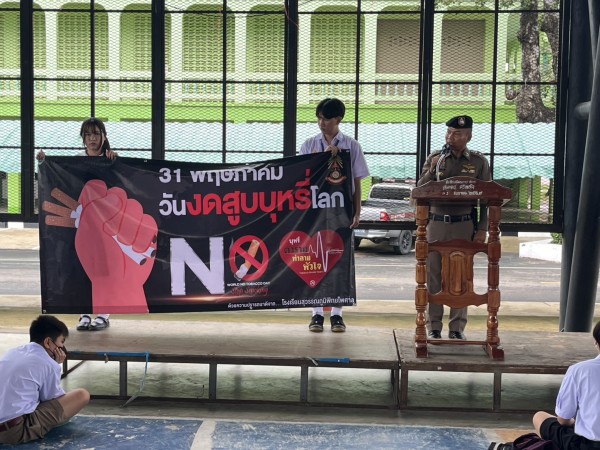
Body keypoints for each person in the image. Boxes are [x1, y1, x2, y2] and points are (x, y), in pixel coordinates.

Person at [37, 118, 117, 331]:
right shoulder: (74, 162)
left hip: (105, 226)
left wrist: (116, 162)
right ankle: (84, 314)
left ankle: (103, 314)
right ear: (83, 138)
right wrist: (45, 163)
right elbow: (58, 177)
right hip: (80, 225)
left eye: (96, 134)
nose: (92, 138)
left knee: (102, 269)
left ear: (104, 136)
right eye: (88, 134)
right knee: (81, 267)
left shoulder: (111, 160)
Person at [299, 98, 370, 333]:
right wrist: (324, 159)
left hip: (342, 211)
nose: (322, 123)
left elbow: (357, 182)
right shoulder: (309, 145)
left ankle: (337, 314)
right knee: (314, 260)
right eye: (319, 118)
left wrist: (357, 212)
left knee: (339, 259)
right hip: (315, 210)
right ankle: (317, 313)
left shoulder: (352, 146)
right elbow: (302, 177)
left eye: (327, 119)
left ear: (338, 119)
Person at [417, 115, 491, 340]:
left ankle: (457, 328)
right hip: (437, 223)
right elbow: (420, 190)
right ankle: (434, 326)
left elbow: (488, 198)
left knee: (460, 275)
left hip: (464, 224)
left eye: (457, 133)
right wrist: (432, 170)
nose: (451, 137)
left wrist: (482, 228)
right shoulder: (436, 158)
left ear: (468, 136)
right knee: (434, 275)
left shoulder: (478, 162)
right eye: (448, 132)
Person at [0, 315, 90, 445]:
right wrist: (55, 365)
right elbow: (50, 399)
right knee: (82, 395)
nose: (62, 347)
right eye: (61, 342)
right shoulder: (48, 363)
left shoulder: (12, 352)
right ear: (48, 342)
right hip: (13, 431)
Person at [532, 321, 600, 449]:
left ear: (596, 342)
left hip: (586, 445)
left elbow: (563, 419)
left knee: (539, 417)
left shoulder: (579, 370)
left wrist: (575, 422)